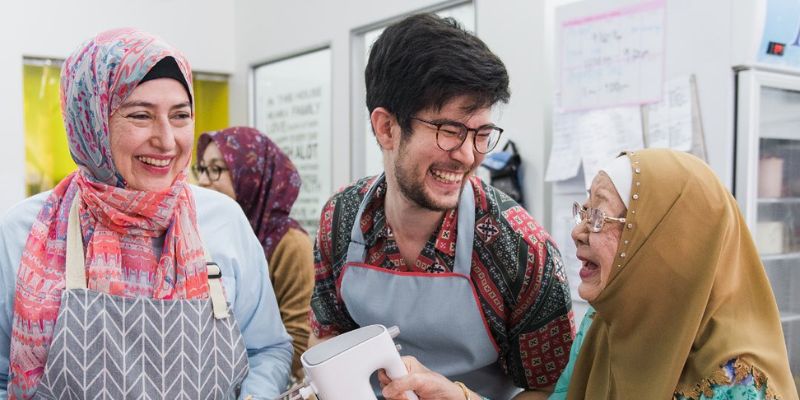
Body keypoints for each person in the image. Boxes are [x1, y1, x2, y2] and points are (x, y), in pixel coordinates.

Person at [0, 29, 292, 399]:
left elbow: (268, 349)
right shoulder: (22, 233)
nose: (167, 140)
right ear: (90, 122)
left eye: (181, 115)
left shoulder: (223, 220)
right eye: (141, 115)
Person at [382, 149, 799, 400]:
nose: (578, 230)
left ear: (668, 243)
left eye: (599, 215)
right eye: (584, 210)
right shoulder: (602, 326)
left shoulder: (737, 383)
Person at [309, 13, 573, 400]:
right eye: (450, 132)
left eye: (482, 134)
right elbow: (326, 337)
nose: (467, 156)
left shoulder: (519, 248)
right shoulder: (342, 218)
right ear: (386, 128)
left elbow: (554, 389)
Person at [195, 126, 315, 381]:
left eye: (217, 168)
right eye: (202, 168)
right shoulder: (211, 235)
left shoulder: (289, 244)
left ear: (251, 176)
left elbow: (298, 338)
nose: (204, 180)